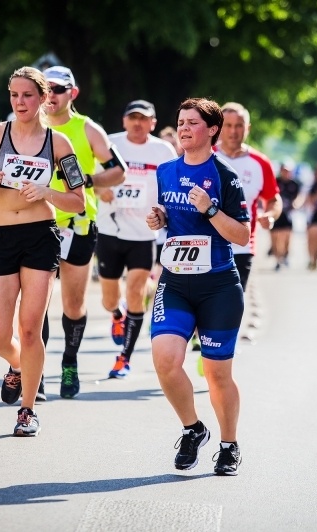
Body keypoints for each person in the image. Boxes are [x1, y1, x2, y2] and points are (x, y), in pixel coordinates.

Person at [0, 66, 85, 436]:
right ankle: (18, 365)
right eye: (14, 95)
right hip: (0, 236)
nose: (20, 102)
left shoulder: (59, 144)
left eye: (28, 96)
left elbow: (77, 201)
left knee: (31, 327)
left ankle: (28, 409)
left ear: (42, 99)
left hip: (40, 235)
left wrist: (48, 192)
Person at [146, 98, 250, 475]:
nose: (185, 128)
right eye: (181, 122)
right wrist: (159, 218)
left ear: (212, 130)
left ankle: (229, 444)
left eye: (193, 122)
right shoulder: (165, 171)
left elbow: (242, 235)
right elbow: (168, 216)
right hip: (174, 282)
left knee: (217, 373)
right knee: (165, 361)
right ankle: (193, 429)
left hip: (218, 286)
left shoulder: (225, 176)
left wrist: (210, 210)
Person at [40, 65, 125, 398]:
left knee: (72, 304)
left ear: (72, 93)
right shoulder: (30, 125)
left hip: (77, 224)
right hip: (38, 223)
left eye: (58, 89)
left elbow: (119, 170)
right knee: (37, 304)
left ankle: (70, 363)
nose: (51, 95)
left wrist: (89, 180)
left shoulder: (87, 129)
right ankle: (37, 373)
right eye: (45, 88)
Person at [97, 100, 178, 378]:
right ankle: (116, 315)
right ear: (124, 121)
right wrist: (100, 189)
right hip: (109, 229)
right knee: (109, 299)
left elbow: (171, 187)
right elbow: (90, 176)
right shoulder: (109, 143)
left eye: (143, 119)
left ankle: (124, 358)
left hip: (144, 233)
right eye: (132, 118)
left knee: (135, 292)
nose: (137, 123)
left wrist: (165, 214)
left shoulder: (163, 150)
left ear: (152, 123)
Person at [215, 102, 280, 290]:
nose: (233, 131)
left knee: (230, 312)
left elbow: (274, 199)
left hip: (241, 248)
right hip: (205, 246)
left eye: (239, 125)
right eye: (228, 125)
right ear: (219, 127)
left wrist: (270, 215)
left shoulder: (260, 163)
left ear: (248, 128)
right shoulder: (205, 156)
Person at [270, 160, 302, 270]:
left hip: (288, 214)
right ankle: (277, 260)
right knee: (275, 237)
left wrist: (296, 203)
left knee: (286, 237)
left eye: (288, 171)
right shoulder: (275, 181)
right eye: (284, 170)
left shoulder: (295, 184)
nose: (286, 173)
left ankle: (286, 254)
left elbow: (299, 196)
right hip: (276, 214)